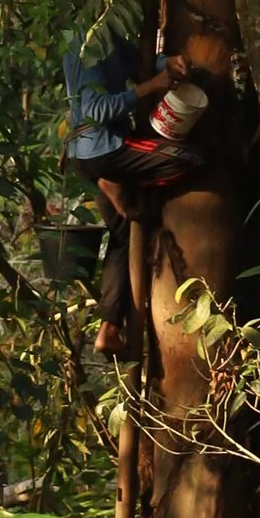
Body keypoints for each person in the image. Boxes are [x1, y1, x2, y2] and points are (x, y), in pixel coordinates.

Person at [62, 25, 212, 354]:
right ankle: (114, 181)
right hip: (103, 152)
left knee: (122, 237)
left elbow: (139, 61)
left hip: (98, 153)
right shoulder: (84, 45)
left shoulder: (111, 36)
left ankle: (109, 329)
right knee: (192, 158)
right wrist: (152, 87)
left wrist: (167, 64)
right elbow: (95, 111)